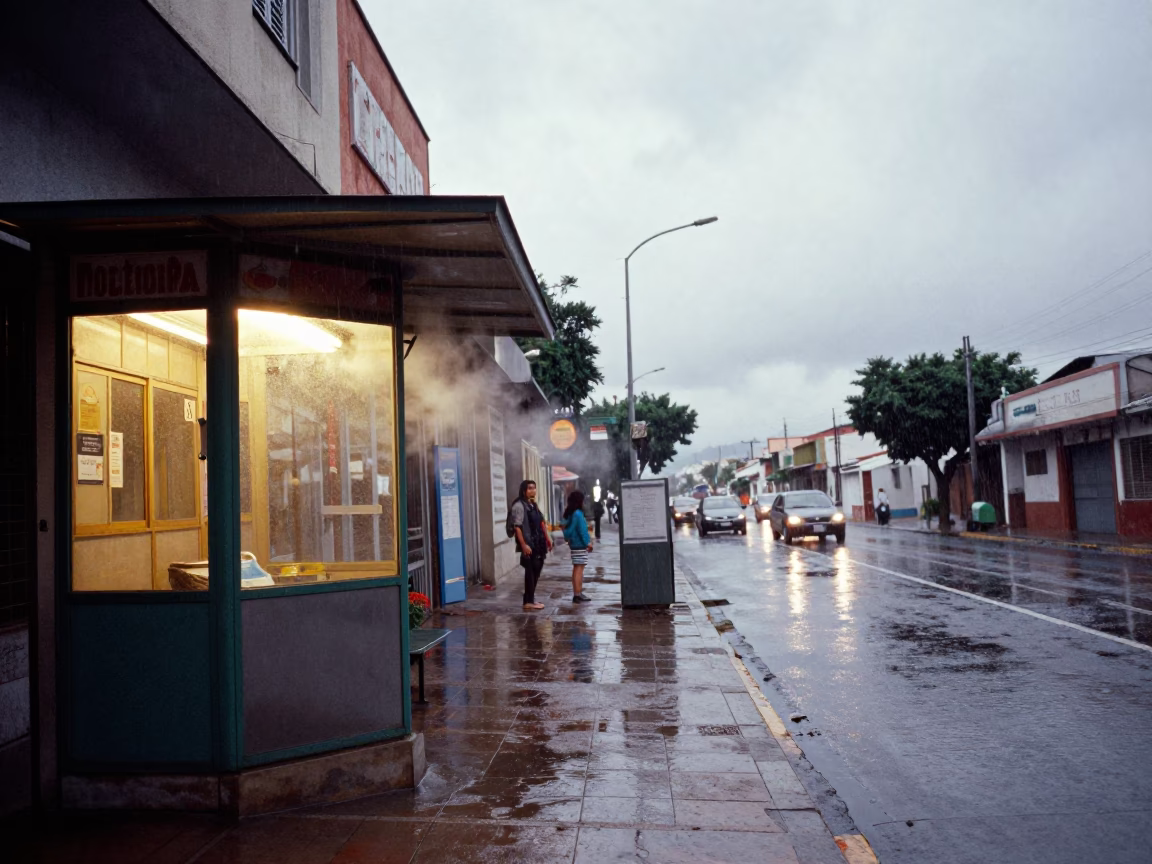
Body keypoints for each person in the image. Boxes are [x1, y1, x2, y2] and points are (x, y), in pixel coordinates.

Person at [511, 479, 552, 610]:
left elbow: (541, 523)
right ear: (524, 491)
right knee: (530, 572)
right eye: (529, 488)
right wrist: (523, 545)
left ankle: (530, 598)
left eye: (534, 488)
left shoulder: (533, 504)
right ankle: (528, 601)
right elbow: (517, 527)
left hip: (539, 543)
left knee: (536, 571)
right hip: (529, 544)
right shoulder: (519, 505)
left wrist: (547, 538)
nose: (532, 490)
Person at [562, 490, 592, 603]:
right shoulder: (578, 514)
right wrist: (587, 543)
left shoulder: (570, 512)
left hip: (574, 544)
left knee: (577, 568)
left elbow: (563, 526)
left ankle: (578, 593)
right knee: (579, 569)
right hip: (580, 544)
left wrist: (567, 539)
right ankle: (577, 594)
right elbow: (582, 530)